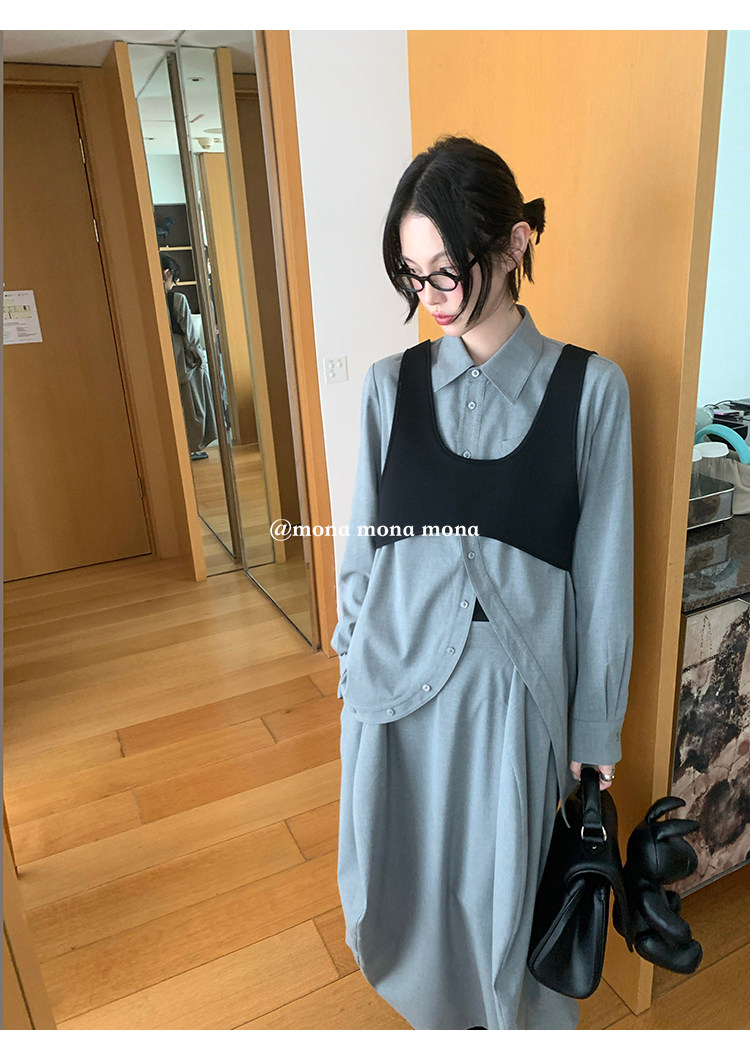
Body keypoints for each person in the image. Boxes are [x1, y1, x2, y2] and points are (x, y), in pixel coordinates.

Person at [331, 136, 634, 1031]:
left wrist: (596, 722)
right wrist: (351, 660)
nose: (431, 296)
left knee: (506, 906)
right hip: (393, 694)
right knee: (407, 891)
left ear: (513, 245)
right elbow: (364, 550)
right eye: (413, 275)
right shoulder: (390, 388)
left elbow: (604, 572)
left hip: (514, 706)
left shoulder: (591, 391)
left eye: (446, 270)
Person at [160, 253, 218, 460]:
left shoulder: (145, 301)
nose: (174, 284)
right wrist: (201, 358)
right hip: (182, 360)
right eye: (174, 279)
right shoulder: (177, 299)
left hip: (162, 360)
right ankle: (192, 447)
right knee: (194, 405)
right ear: (167, 273)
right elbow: (191, 337)